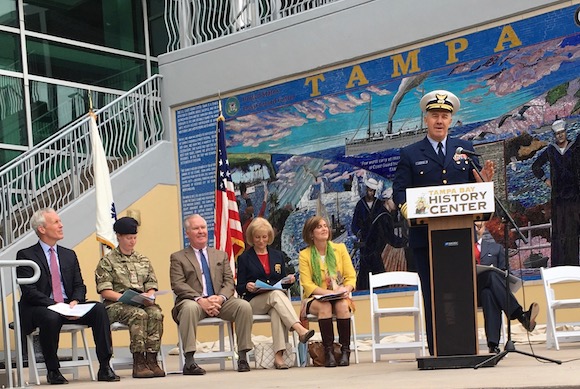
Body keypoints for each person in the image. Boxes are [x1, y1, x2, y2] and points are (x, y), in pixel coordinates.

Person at [392, 90, 495, 355]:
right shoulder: (410, 153)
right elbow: (400, 192)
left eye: (445, 116)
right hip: (425, 238)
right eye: (435, 115)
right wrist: (412, 212)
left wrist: (484, 184)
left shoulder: (465, 149)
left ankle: (464, 345)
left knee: (462, 289)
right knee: (433, 292)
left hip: (460, 236)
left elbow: (475, 189)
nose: (440, 120)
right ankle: (437, 346)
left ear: (451, 120)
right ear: (426, 119)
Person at [16, 208, 120, 384]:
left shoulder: (68, 254)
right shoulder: (26, 255)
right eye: (56, 222)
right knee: (51, 316)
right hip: (40, 307)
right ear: (42, 229)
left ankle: (104, 366)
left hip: (68, 305)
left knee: (99, 309)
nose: (61, 225)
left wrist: (75, 301)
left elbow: (79, 285)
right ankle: (53, 370)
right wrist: (55, 305)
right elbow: (30, 292)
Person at [170, 214, 254, 375]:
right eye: (196, 228)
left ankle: (242, 356)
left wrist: (220, 298)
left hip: (219, 302)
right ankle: (189, 361)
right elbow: (178, 284)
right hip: (193, 302)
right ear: (187, 233)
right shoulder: (178, 257)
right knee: (188, 309)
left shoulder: (219, 255)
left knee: (243, 306)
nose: (201, 231)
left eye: (203, 227)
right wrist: (200, 299)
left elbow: (229, 282)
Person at [236, 217, 315, 369]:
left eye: (264, 237)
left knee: (276, 309)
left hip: (275, 301)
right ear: (252, 237)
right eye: (257, 237)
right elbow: (239, 287)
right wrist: (247, 286)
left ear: (269, 237)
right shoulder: (244, 258)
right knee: (277, 296)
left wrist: (289, 280)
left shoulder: (277, 255)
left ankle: (279, 357)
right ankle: (299, 329)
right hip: (254, 302)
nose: (261, 240)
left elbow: (282, 281)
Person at [95, 216, 165, 378]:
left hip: (141, 302)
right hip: (115, 305)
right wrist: (125, 298)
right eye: (128, 238)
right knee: (138, 314)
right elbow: (105, 291)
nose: (132, 241)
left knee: (156, 313)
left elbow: (151, 283)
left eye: (134, 238)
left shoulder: (142, 259)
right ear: (119, 236)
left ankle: (152, 358)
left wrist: (150, 294)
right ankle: (139, 361)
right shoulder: (108, 261)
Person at [298, 216, 356, 368]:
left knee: (343, 306)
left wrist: (346, 289)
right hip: (315, 298)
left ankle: (345, 351)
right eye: (319, 227)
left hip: (339, 295)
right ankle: (328, 352)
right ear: (311, 234)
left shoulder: (340, 249)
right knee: (325, 307)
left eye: (325, 226)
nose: (324, 229)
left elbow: (351, 277)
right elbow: (307, 284)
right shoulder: (305, 255)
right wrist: (326, 293)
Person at [474, 221, 539, 354]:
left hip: (489, 292)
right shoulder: (461, 246)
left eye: (480, 226)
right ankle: (520, 315)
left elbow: (504, 272)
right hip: (469, 290)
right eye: (474, 226)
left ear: (484, 228)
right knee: (491, 274)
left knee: (488, 293)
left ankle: (493, 345)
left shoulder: (496, 248)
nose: (477, 229)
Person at [531, 118, 580, 267]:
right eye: (557, 134)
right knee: (559, 230)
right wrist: (546, 179)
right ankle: (560, 264)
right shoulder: (551, 150)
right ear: (554, 135)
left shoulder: (575, 148)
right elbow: (536, 166)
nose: (560, 136)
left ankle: (573, 263)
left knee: (573, 229)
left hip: (574, 195)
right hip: (558, 197)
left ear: (566, 132)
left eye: (562, 132)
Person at [365, 188, 408, 273]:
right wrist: (406, 241)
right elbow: (390, 238)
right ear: (387, 200)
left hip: (372, 253)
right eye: (393, 199)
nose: (396, 202)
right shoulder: (384, 217)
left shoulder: (380, 213)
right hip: (374, 255)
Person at [351, 177, 382, 290]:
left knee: (377, 263)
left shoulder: (379, 204)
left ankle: (380, 286)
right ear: (366, 190)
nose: (371, 193)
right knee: (365, 265)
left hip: (376, 241)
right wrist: (359, 233)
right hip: (364, 241)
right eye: (369, 190)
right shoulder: (360, 205)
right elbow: (354, 223)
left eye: (373, 191)